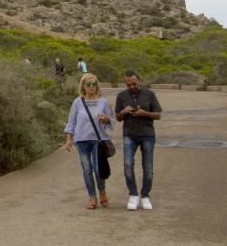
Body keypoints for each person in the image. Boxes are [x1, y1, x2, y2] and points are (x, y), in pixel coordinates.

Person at [64, 73, 114, 209]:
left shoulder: (103, 102)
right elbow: (71, 121)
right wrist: (69, 139)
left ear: (97, 86)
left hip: (98, 140)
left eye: (94, 84)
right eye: (88, 84)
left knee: (98, 169)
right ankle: (92, 197)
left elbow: (111, 122)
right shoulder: (77, 102)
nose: (91, 87)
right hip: (82, 140)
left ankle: (102, 192)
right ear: (83, 86)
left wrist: (106, 119)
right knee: (87, 169)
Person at [115, 70, 162, 211]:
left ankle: (145, 196)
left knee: (148, 168)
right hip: (129, 135)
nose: (131, 87)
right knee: (128, 165)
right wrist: (124, 111)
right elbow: (117, 117)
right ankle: (133, 195)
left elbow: (158, 115)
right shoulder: (121, 96)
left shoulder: (150, 94)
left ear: (139, 81)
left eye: (134, 84)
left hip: (147, 135)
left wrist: (144, 113)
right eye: (128, 84)